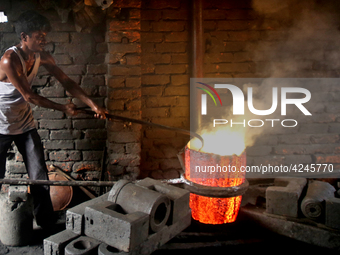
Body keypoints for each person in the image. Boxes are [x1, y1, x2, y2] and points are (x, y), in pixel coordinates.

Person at [0, 10, 107, 229]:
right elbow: (28, 96)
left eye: (45, 35)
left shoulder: (43, 57)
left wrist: (92, 104)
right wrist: (62, 108)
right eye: (39, 36)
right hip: (0, 125)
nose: (44, 40)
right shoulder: (9, 60)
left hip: (24, 124)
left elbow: (66, 82)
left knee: (39, 177)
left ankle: (46, 223)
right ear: (24, 36)